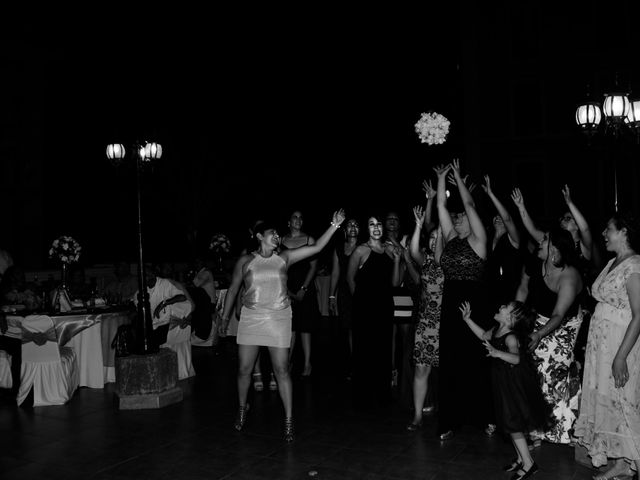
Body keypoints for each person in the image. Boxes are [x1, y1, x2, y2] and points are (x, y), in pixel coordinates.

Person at [219, 209, 345, 442]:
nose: (277, 236)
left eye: (278, 233)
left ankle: (288, 419)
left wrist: (334, 225)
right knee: (244, 369)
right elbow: (234, 288)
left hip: (278, 318)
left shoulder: (284, 257)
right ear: (259, 236)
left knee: (282, 370)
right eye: (272, 233)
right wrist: (225, 318)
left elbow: (316, 249)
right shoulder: (246, 261)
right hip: (251, 318)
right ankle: (241, 408)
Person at [574, 212, 640, 480]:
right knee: (609, 402)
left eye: (608, 229)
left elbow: (639, 314)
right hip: (600, 348)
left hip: (619, 345)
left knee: (624, 403)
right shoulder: (614, 262)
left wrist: (620, 357)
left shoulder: (635, 265)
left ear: (624, 232)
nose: (604, 234)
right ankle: (623, 464)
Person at [433, 159, 493, 440]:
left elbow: (469, 206)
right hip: (450, 302)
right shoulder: (450, 237)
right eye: (454, 218)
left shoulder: (480, 240)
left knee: (476, 360)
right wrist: (442, 178)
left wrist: (457, 174)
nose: (456, 219)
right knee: (451, 361)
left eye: (461, 217)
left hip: (474, 302)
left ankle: (483, 416)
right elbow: (441, 208)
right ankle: (450, 418)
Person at [460, 300, 552, 480]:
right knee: (508, 421)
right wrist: (467, 320)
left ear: (511, 318)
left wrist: (497, 353)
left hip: (512, 385)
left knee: (513, 423)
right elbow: (483, 335)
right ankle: (520, 458)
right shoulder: (496, 330)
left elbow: (517, 359)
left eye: (505, 307)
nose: (500, 306)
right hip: (501, 383)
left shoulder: (511, 337)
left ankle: (529, 463)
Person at [515, 226, 584, 445]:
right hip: (540, 320)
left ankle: (554, 427)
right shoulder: (537, 263)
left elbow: (559, 315)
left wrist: (538, 335)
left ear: (554, 249)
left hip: (564, 327)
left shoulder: (569, 276)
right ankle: (536, 425)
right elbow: (523, 289)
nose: (539, 242)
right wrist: (515, 315)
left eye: (545, 239)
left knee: (552, 373)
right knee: (532, 371)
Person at [347, 213, 402, 409]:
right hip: (364, 309)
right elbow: (350, 279)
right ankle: (363, 397)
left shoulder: (389, 249)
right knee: (364, 352)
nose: (376, 227)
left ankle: (382, 395)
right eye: (372, 224)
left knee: (383, 351)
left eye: (378, 224)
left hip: (385, 308)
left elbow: (395, 283)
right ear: (367, 228)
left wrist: (396, 260)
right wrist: (360, 303)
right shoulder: (360, 250)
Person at [407, 199, 444, 431]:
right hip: (427, 323)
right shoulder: (427, 260)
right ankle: (417, 415)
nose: (434, 240)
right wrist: (419, 226)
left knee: (447, 373)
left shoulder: (452, 263)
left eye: (438, 237)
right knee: (421, 369)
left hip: (447, 322)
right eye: (431, 238)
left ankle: (448, 415)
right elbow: (412, 252)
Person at [280, 210, 320, 377]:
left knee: (305, 327)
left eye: (300, 217)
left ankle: (307, 363)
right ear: (289, 222)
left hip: (305, 287)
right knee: (290, 327)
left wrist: (303, 289)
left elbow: (313, 266)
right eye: (294, 217)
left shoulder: (309, 239)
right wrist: (285, 290)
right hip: (285, 288)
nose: (298, 219)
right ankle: (287, 361)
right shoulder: (281, 240)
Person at [482, 175, 522, 311]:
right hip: (486, 296)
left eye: (501, 216)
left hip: (507, 298)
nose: (498, 218)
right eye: (495, 216)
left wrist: (491, 195)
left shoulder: (513, 239)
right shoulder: (486, 239)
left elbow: (508, 219)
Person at [329, 218, 360, 379]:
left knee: (361, 329)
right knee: (348, 329)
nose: (353, 227)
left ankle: (361, 364)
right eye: (350, 225)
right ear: (344, 230)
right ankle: (353, 365)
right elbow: (335, 273)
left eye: (356, 225)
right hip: (344, 294)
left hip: (361, 292)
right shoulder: (339, 248)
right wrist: (332, 295)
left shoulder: (364, 247)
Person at [134, 264, 193, 348]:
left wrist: (163, 303)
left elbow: (182, 297)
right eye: (140, 276)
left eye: (146, 275)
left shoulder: (165, 283)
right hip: (153, 327)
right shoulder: (139, 293)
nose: (142, 278)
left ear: (153, 274)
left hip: (168, 325)